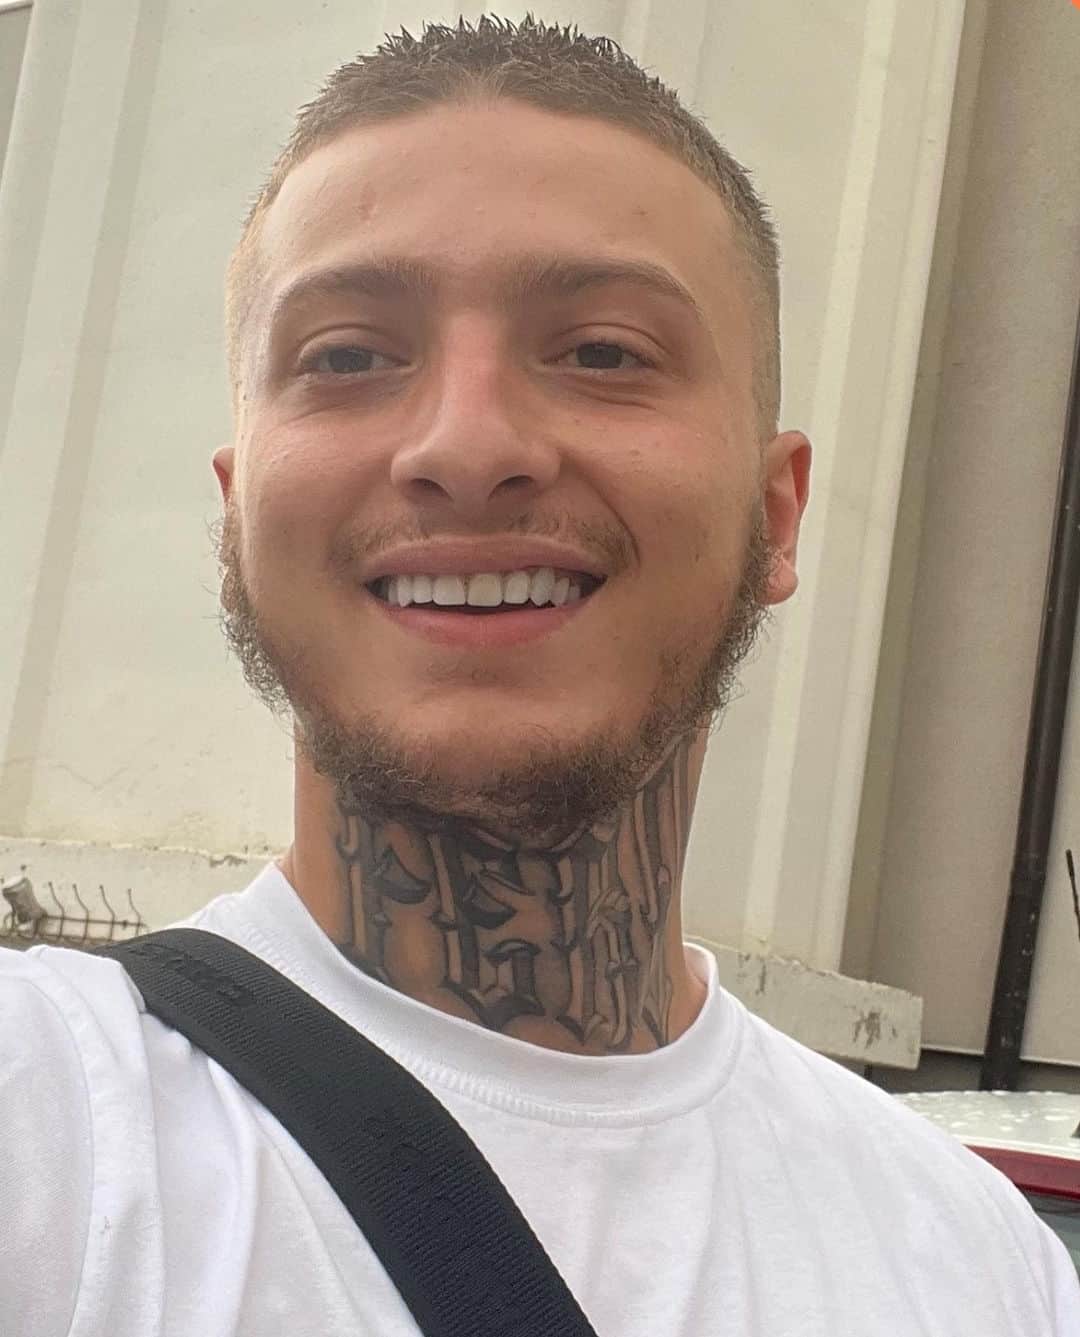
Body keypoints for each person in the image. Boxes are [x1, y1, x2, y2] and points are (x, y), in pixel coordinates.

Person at [1, 13, 1076, 1336]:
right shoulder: (43, 1119)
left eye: (604, 351)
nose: (467, 446)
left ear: (775, 513)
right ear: (238, 516)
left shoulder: (982, 1265)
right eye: (347, 357)